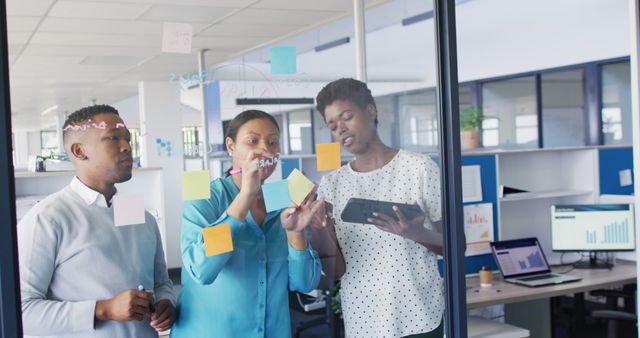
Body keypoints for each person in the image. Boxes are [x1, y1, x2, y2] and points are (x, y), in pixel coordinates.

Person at [18, 105, 176, 338]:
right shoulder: (47, 218)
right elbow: (21, 311)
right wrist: (102, 309)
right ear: (79, 151)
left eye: (128, 139)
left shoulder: (143, 218)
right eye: (113, 138)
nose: (127, 147)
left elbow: (162, 283)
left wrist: (166, 303)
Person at [171, 110, 323, 338]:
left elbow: (305, 283)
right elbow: (202, 270)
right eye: (253, 141)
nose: (265, 149)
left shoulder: (283, 198)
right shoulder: (205, 197)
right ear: (231, 147)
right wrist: (244, 198)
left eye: (273, 142)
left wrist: (295, 232)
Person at [314, 78, 445, 338]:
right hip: (364, 322)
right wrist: (320, 231)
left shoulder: (419, 168)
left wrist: (417, 233)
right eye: (332, 125)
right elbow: (334, 272)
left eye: (347, 116)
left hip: (420, 318)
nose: (340, 128)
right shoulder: (332, 185)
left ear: (370, 111)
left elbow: (456, 246)